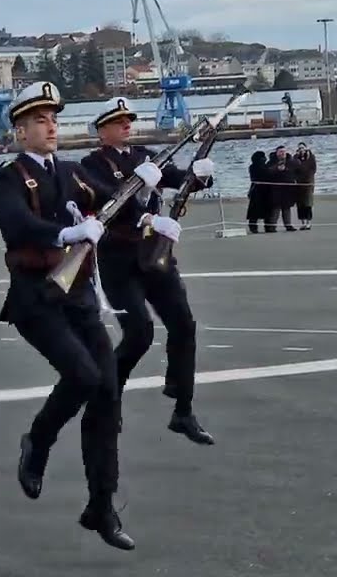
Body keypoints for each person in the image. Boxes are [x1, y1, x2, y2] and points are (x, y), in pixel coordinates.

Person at [0, 82, 134, 550]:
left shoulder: (72, 173)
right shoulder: (7, 177)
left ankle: (102, 505)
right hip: (36, 297)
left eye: (54, 119)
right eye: (41, 120)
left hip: (79, 298)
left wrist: (158, 183)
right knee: (83, 377)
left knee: (107, 393)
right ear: (21, 130)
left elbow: (117, 198)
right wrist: (69, 230)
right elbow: (18, 224)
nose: (51, 126)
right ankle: (39, 440)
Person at [78, 97, 217, 445]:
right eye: (118, 120)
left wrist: (200, 175)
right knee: (139, 333)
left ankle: (183, 408)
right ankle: (110, 398)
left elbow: (177, 179)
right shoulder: (90, 164)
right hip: (118, 260)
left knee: (184, 324)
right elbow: (102, 199)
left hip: (154, 252)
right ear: (102, 130)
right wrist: (138, 193)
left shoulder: (145, 156)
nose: (126, 124)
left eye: (128, 119)